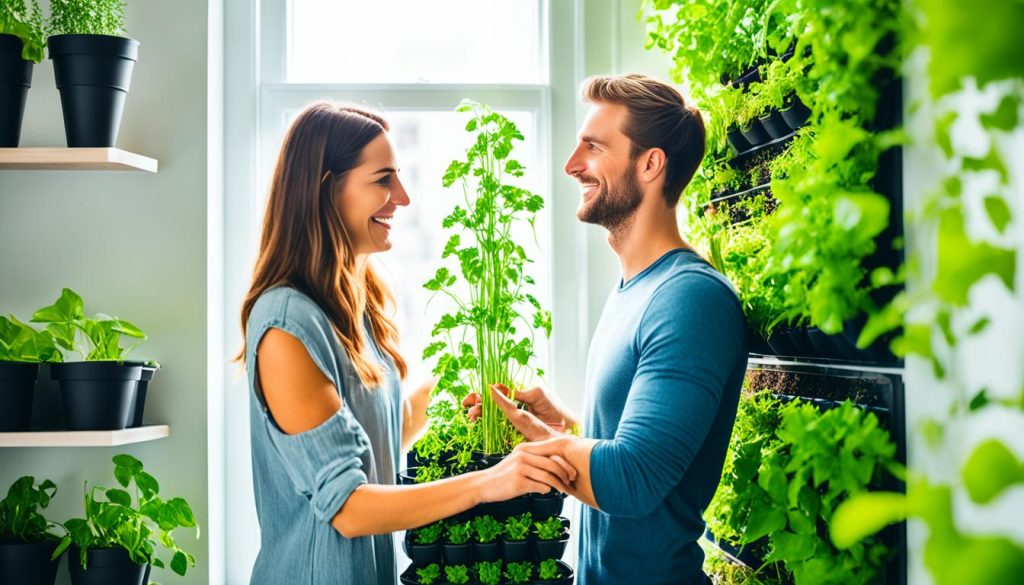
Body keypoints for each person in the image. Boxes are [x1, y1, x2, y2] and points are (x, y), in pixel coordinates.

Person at [235, 101, 575, 585]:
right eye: (383, 179)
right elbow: (349, 506)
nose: (403, 197)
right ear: (326, 188)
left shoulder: (356, 305)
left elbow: (374, 442)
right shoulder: (287, 325)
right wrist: (491, 482)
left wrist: (458, 386)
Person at [465, 74, 748, 585]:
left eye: (593, 147)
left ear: (650, 163)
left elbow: (632, 480)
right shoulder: (635, 290)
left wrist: (539, 444)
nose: (572, 165)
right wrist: (562, 432)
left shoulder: (691, 299)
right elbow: (636, 457)